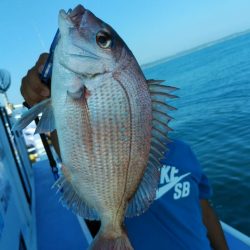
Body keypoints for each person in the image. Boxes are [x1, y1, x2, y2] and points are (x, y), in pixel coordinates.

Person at [20, 53, 229, 250]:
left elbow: (204, 210)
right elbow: (75, 147)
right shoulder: (106, 156)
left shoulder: (184, 151)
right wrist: (44, 99)